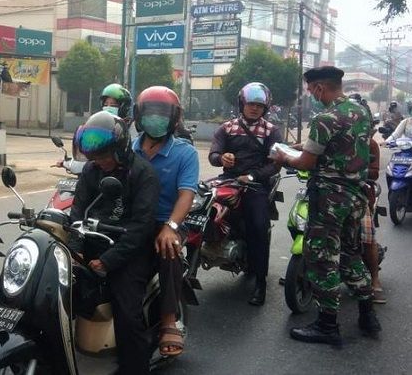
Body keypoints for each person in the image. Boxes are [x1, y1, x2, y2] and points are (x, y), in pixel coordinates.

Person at [272, 66, 380, 345]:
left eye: (311, 90)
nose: (311, 96)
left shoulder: (325, 118)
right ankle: (368, 316)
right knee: (350, 255)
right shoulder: (361, 112)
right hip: (356, 196)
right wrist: (303, 144)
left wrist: (284, 156)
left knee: (322, 260)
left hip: (330, 199)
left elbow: (306, 163)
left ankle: (327, 325)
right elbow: (346, 144)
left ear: (320, 88)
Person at [68, 110, 160, 374]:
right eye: (94, 158)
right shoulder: (91, 170)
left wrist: (109, 261)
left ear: (120, 149)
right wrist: (74, 248)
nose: (99, 162)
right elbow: (78, 210)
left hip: (130, 250)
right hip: (93, 242)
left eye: (104, 156)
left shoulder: (143, 174)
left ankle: (134, 367)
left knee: (127, 312)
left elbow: (141, 228)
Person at [132, 86, 199, 357]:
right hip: (134, 221)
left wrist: (171, 227)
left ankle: (169, 319)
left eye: (163, 113)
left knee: (168, 250)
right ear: (139, 116)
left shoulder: (185, 153)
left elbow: (186, 194)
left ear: (174, 118)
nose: (156, 119)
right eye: (150, 113)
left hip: (166, 221)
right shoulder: (128, 148)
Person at [207, 82, 283, 306]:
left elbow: (275, 165)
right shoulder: (226, 128)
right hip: (228, 180)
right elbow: (213, 154)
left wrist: (252, 177)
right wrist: (221, 158)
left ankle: (261, 284)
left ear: (265, 108)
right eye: (251, 104)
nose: (254, 108)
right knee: (199, 208)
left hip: (255, 185)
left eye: (259, 105)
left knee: (258, 228)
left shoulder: (271, 131)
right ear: (242, 104)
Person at [351, 93, 387, 304]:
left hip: (360, 194)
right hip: (329, 193)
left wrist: (354, 170)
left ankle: (374, 279)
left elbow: (373, 173)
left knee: (367, 236)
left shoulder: (370, 144)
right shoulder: (330, 137)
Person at [58, 83, 135, 174]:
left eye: (113, 105)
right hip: (96, 170)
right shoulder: (98, 123)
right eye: (106, 104)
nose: (108, 107)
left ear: (124, 107)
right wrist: (68, 163)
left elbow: (131, 153)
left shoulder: (131, 128)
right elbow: (89, 146)